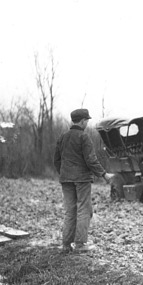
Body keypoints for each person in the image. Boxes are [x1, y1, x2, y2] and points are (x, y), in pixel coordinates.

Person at [53, 108, 114, 253]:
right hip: (81, 180)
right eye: (86, 120)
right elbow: (91, 160)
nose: (87, 123)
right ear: (82, 121)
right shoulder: (84, 137)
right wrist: (104, 175)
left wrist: (64, 173)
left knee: (70, 211)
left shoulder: (62, 137)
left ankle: (66, 245)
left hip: (66, 179)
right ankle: (80, 244)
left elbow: (56, 160)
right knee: (84, 210)